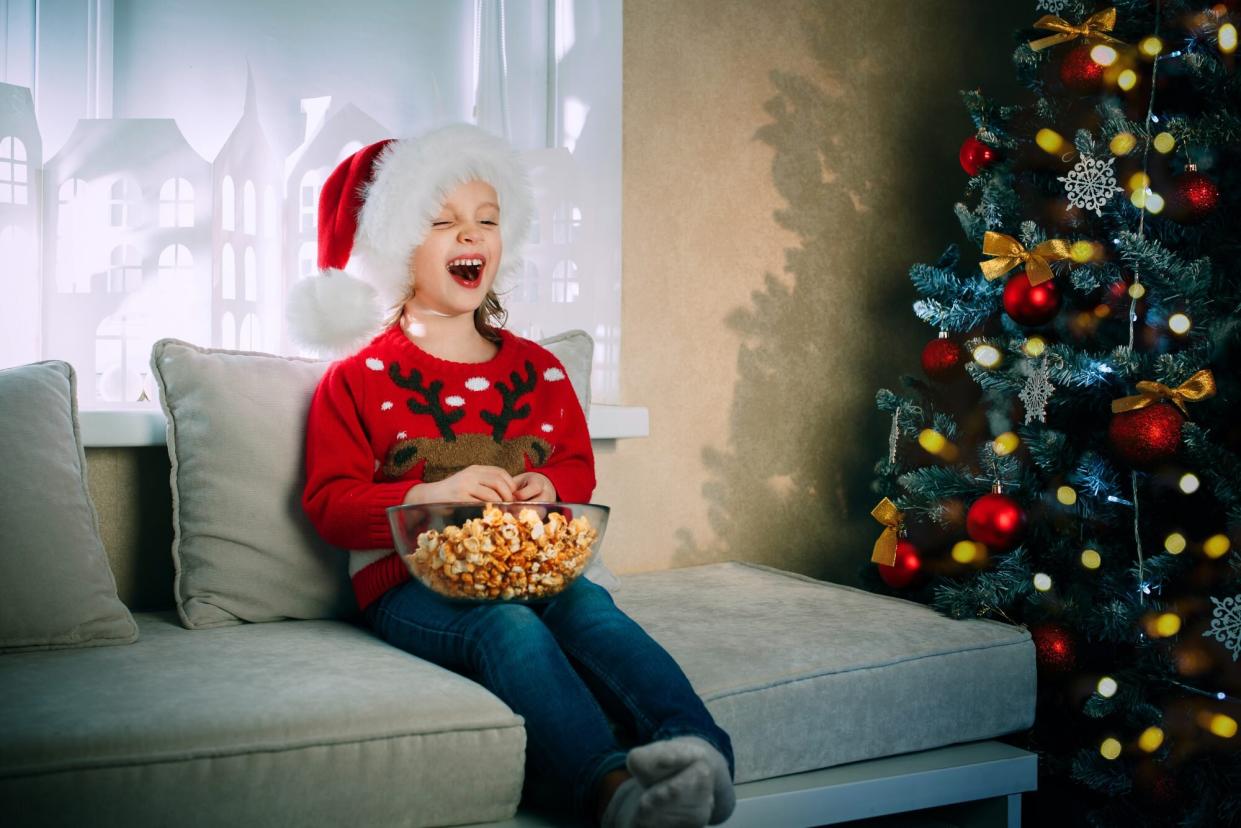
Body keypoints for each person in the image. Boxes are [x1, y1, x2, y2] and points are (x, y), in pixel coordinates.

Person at [289, 124, 736, 828]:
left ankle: (700, 755)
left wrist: (551, 489)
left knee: (590, 609)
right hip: (405, 583)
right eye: (442, 222)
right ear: (397, 244)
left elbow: (573, 465)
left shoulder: (539, 369)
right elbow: (329, 504)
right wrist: (424, 495)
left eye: (486, 221)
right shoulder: (356, 379)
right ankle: (612, 791)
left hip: (531, 564)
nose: (470, 237)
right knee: (508, 629)